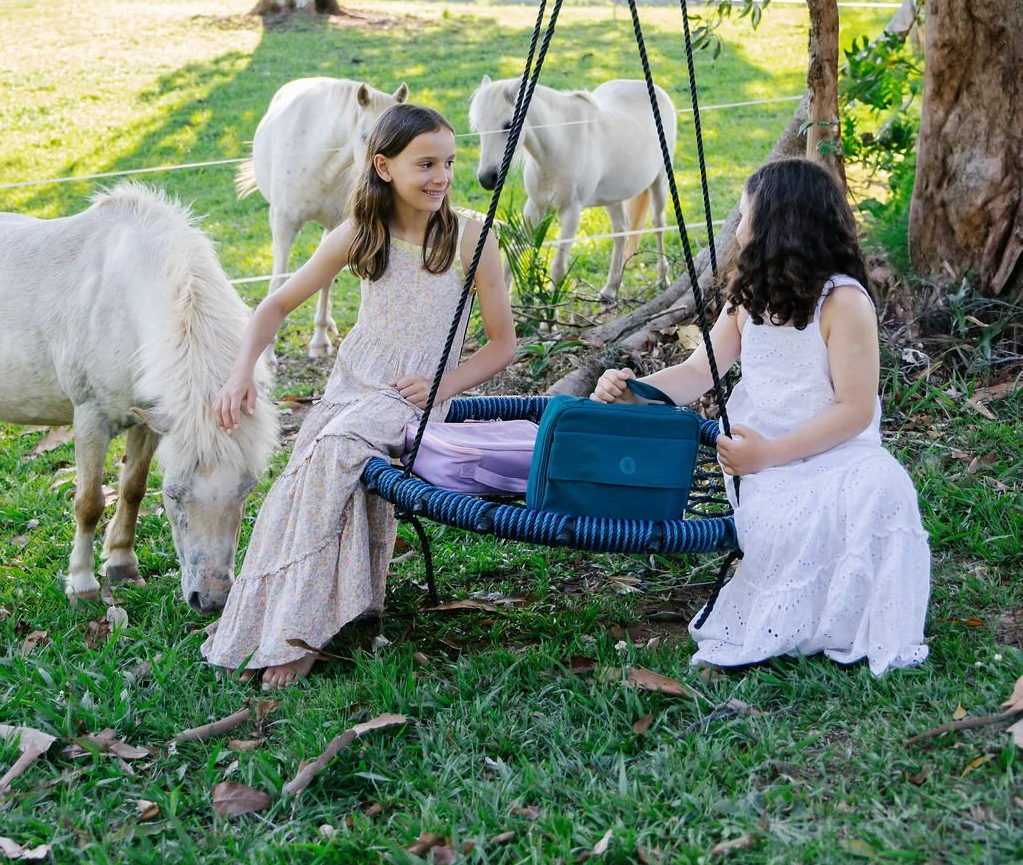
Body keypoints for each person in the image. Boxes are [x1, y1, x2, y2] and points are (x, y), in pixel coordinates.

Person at [204, 103, 516, 688]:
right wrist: (240, 372)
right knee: (305, 471)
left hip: (414, 395)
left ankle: (301, 635)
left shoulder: (471, 236)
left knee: (334, 454)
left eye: (449, 162)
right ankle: (287, 612)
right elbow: (274, 305)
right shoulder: (361, 234)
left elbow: (504, 346)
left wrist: (441, 386)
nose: (442, 177)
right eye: (425, 164)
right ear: (383, 166)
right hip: (352, 385)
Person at [591, 157, 930, 677]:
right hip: (760, 462)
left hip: (832, 450)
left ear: (779, 224)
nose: (740, 227)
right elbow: (697, 371)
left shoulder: (843, 303)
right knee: (783, 518)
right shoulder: (747, 300)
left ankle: (851, 620)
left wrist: (768, 452)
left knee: (885, 488)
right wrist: (635, 391)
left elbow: (856, 410)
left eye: (746, 214)